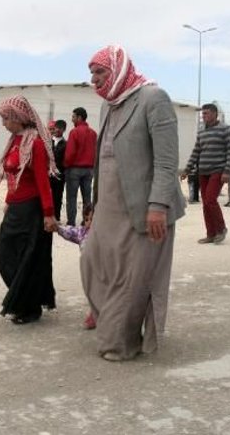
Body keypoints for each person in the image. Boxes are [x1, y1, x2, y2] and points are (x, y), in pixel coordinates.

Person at [83, 45, 186, 361]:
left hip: (144, 207)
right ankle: (112, 323)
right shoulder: (108, 106)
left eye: (100, 72)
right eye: (92, 74)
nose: (94, 79)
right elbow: (102, 161)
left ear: (119, 69)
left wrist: (158, 206)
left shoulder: (153, 99)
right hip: (109, 207)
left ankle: (121, 341)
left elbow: (167, 162)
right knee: (91, 262)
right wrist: (93, 206)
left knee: (133, 277)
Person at [0, 95, 59, 324]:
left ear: (18, 118)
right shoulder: (14, 140)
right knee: (4, 255)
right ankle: (23, 298)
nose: (3, 123)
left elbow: (43, 180)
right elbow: (14, 175)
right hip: (15, 208)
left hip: (31, 210)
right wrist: (8, 200)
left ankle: (29, 307)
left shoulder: (36, 144)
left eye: (5, 118)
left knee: (28, 259)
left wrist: (49, 214)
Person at [181, 103, 230, 245]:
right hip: (203, 171)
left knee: (211, 199)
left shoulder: (225, 130)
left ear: (214, 114)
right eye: (202, 114)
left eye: (206, 113)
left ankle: (221, 229)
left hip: (217, 171)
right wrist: (187, 169)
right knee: (205, 204)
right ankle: (210, 234)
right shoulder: (202, 132)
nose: (203, 116)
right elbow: (196, 152)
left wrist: (227, 171)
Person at [56, 204, 96, 330]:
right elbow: (69, 231)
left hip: (104, 269)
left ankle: (96, 315)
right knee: (92, 292)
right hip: (89, 270)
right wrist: (57, 228)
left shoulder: (107, 234)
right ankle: (96, 313)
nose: (89, 222)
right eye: (87, 219)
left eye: (93, 219)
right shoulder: (82, 233)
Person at [63, 107, 97, 226]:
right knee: (87, 198)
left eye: (73, 117)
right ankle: (87, 221)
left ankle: (71, 222)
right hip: (89, 170)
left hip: (74, 169)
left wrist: (66, 165)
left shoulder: (74, 132)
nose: (72, 119)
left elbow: (70, 153)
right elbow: (95, 151)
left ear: (79, 117)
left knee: (71, 197)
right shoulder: (93, 133)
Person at [49, 119, 68, 221]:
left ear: (64, 130)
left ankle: (56, 217)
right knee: (48, 195)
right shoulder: (48, 141)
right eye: (56, 128)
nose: (57, 130)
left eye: (60, 129)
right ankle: (47, 215)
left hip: (60, 174)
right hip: (48, 173)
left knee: (58, 196)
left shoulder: (65, 144)